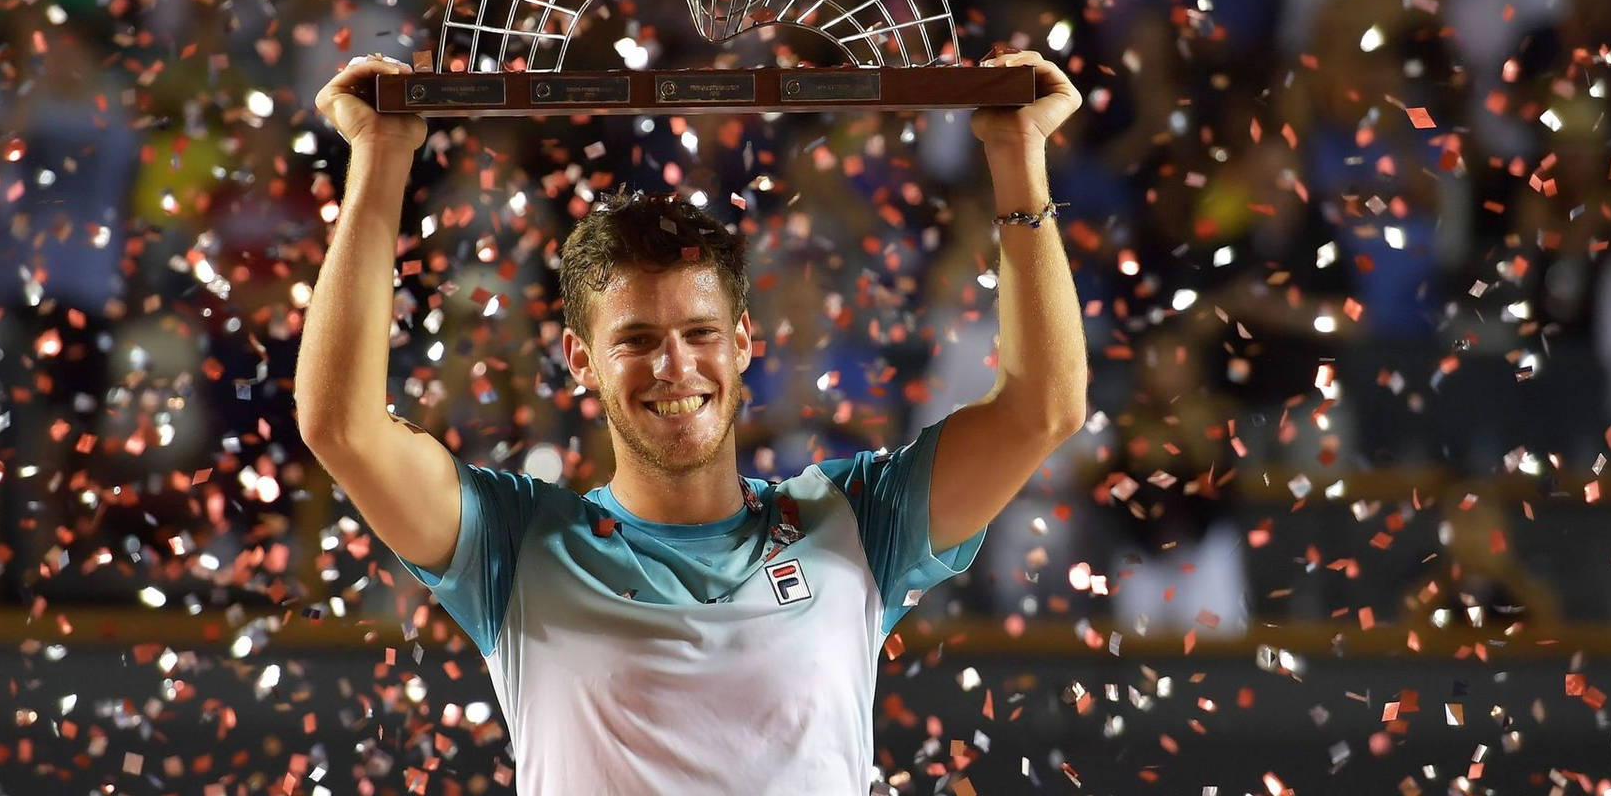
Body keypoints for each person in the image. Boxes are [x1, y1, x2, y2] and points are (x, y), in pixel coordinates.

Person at [296, 52, 1089, 794]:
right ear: (581, 360)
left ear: (742, 341)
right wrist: (381, 157)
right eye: (636, 341)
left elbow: (1042, 410)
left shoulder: (857, 519)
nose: (675, 367)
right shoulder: (511, 543)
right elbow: (342, 426)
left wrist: (1018, 154)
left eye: (700, 334)